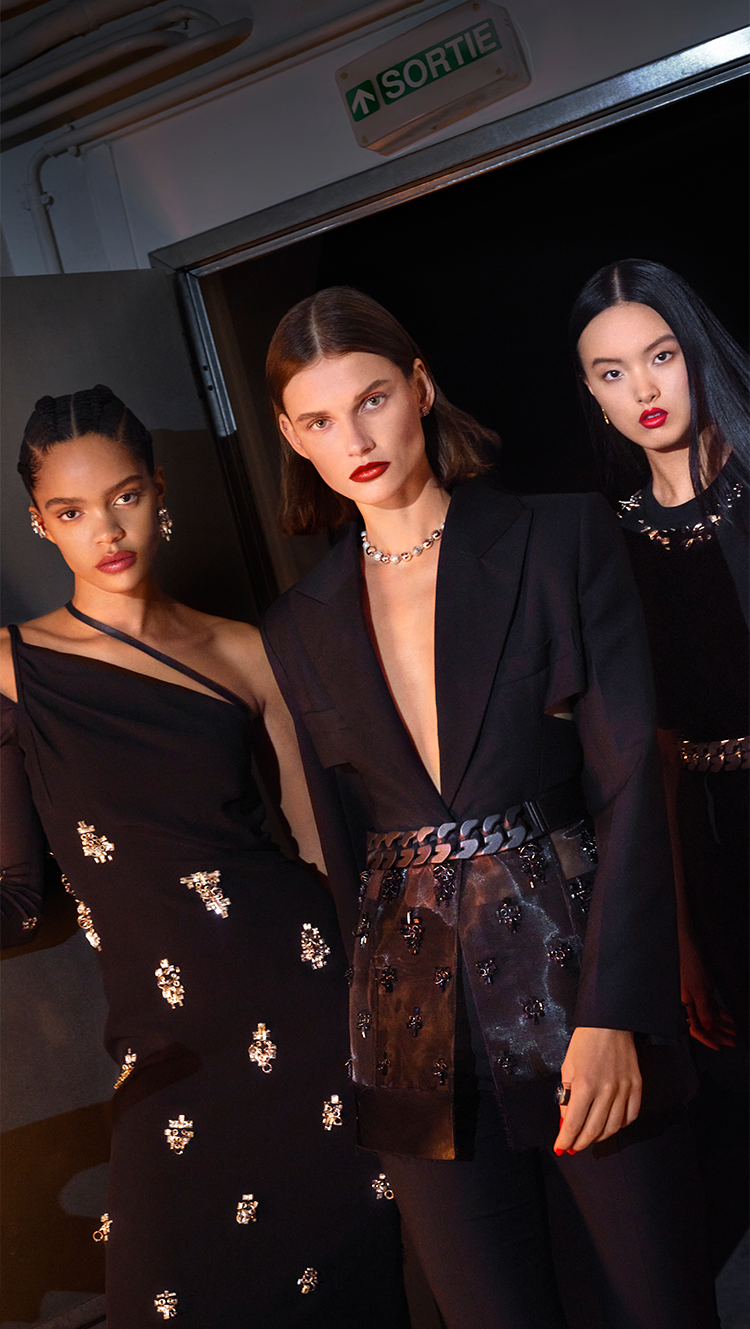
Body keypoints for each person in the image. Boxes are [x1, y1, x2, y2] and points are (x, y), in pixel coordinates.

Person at [260, 286, 719, 1329]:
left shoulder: (557, 537)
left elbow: (626, 785)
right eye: (319, 420)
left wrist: (616, 1010)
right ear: (291, 436)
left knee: (658, 1304)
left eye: (372, 399)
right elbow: (345, 850)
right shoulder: (298, 622)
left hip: (576, 986)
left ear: (420, 388)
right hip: (409, 1027)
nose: (354, 440)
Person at [0, 386, 406, 1329]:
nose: (107, 530)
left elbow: (322, 854)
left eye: (125, 497)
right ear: (39, 524)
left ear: (159, 491)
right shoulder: (14, 667)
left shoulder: (247, 651)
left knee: (349, 1294)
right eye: (71, 511)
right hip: (168, 1049)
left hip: (310, 1006)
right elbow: (16, 895)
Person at [569, 259, 748, 1055]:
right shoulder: (608, 550)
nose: (643, 388)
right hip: (719, 854)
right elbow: (651, 761)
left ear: (696, 353)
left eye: (661, 356)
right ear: (594, 394)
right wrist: (679, 935)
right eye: (612, 372)